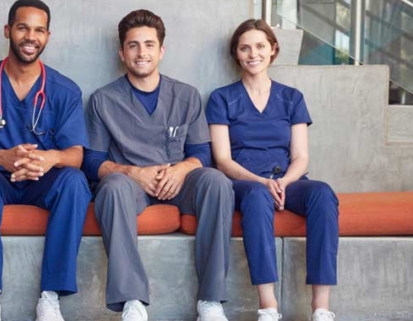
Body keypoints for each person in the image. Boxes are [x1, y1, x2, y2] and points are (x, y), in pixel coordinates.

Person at [83, 9, 235, 321]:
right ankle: (132, 301)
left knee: (217, 182)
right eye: (134, 45)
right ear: (122, 52)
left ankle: (210, 300)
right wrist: (132, 173)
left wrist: (181, 170)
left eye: (149, 45)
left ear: (161, 50)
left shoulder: (187, 95)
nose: (142, 53)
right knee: (111, 188)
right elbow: (92, 161)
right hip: (130, 187)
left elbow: (202, 153)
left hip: (179, 183)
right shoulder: (102, 100)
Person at [0, 1, 91, 320]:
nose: (31, 36)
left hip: (43, 182)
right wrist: (1, 156)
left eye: (39, 30)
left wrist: (50, 158)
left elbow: (76, 154)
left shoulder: (64, 89)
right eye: (22, 27)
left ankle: (50, 297)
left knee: (75, 181)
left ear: (47, 36)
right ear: (8, 31)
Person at [206, 19, 339, 321]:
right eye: (244, 48)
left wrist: (283, 182)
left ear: (273, 50)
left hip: (288, 180)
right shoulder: (221, 98)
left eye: (260, 46)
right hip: (245, 181)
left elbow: (301, 156)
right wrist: (262, 182)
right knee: (256, 195)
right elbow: (223, 160)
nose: (253, 53)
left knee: (322, 193)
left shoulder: (292, 98)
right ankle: (268, 308)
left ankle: (321, 308)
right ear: (236, 54)